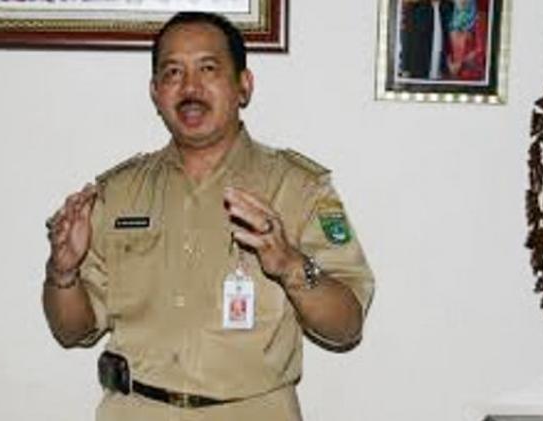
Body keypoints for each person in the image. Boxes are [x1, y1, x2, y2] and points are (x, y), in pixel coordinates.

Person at [42, 11, 375, 421]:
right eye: (173, 73)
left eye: (208, 69)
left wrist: (291, 265)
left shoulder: (299, 188)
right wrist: (62, 273)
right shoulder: (118, 193)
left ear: (243, 85)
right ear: (155, 92)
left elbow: (346, 326)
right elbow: (71, 330)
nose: (190, 88)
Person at [399, 0, 455, 80]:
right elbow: (407, 41)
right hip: (420, 69)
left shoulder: (449, 8)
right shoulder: (415, 9)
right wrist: (405, 67)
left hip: (443, 70)